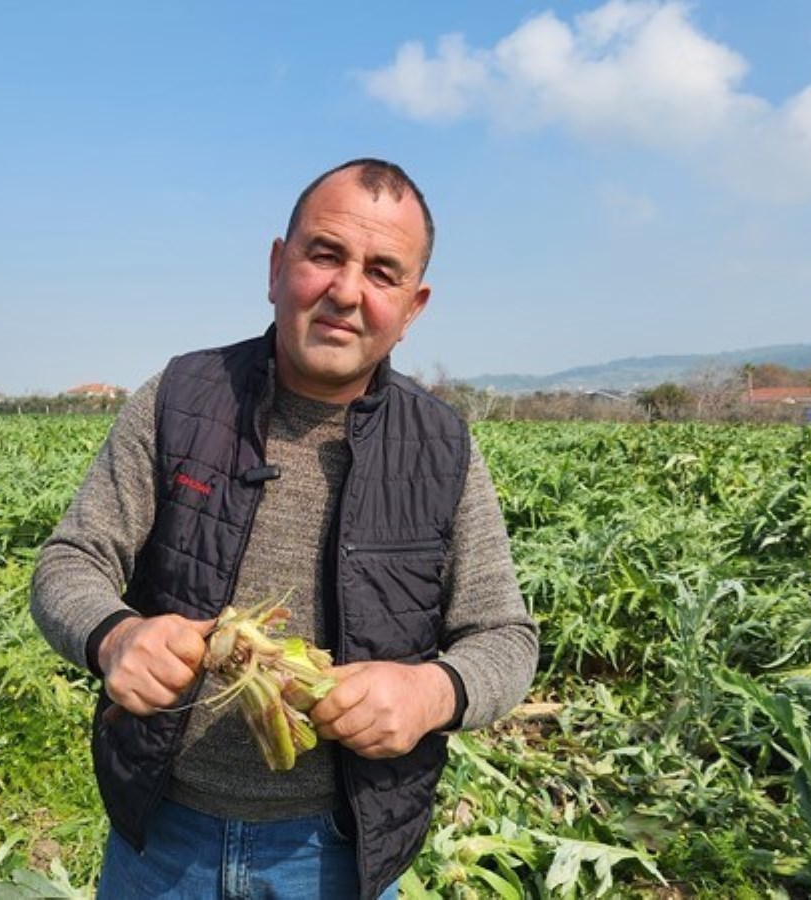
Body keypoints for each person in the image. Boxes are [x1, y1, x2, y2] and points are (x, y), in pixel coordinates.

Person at [30, 158, 538, 899]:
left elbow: (505, 637)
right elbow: (70, 562)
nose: (346, 291)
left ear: (413, 306)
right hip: (163, 842)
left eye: (382, 272)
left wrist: (431, 693)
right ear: (277, 267)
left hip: (335, 853)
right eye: (324, 255)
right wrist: (115, 637)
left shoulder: (442, 447)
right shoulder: (179, 398)